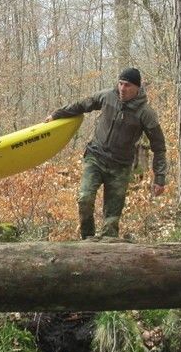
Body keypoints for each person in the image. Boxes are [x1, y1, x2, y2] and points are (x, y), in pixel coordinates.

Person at [45, 67, 167, 239]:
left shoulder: (146, 113)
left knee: (111, 221)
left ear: (137, 88)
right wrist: (57, 114)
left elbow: (159, 146)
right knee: (84, 199)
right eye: (120, 84)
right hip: (95, 157)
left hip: (120, 167)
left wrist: (159, 178)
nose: (122, 89)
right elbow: (82, 104)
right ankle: (88, 240)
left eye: (128, 86)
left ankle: (107, 254)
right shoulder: (107, 96)